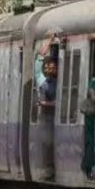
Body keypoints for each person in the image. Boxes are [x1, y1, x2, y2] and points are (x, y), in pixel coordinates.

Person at [37, 51, 58, 181]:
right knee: (48, 143)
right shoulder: (45, 84)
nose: (50, 70)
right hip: (48, 119)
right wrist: (54, 103)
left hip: (57, 118)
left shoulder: (61, 82)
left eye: (53, 67)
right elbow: (41, 101)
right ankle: (49, 168)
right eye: (49, 68)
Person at [80, 77, 95, 181]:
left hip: (92, 120)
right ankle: (88, 169)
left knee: (91, 145)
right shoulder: (94, 81)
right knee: (90, 144)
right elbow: (92, 94)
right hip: (91, 121)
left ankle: (89, 168)